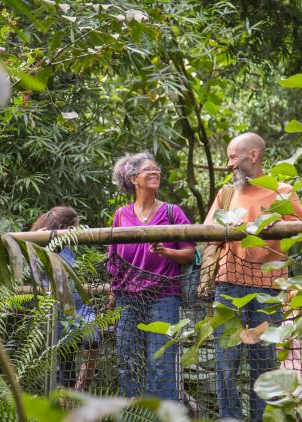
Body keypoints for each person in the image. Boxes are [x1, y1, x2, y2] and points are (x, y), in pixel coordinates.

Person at [203, 132, 302, 421]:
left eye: (233, 157)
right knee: (226, 364)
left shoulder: (282, 191)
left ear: (254, 155)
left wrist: (270, 225)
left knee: (263, 364)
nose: (229, 164)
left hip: (267, 291)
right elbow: (207, 234)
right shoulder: (226, 194)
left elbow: (301, 230)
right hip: (228, 287)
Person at [108, 151, 196, 400]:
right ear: (134, 179)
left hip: (164, 297)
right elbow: (114, 259)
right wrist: (113, 294)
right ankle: (134, 416)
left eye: (156, 168)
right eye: (148, 170)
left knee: (162, 364)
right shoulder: (120, 215)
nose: (155, 172)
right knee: (128, 363)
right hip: (127, 299)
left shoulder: (172, 212)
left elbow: (189, 253)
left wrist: (166, 251)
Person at [29, 207, 98, 402]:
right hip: (58, 310)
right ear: (67, 227)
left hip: (79, 305)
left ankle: (84, 382)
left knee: (93, 338)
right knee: (65, 369)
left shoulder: (67, 246)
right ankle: (66, 412)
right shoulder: (38, 242)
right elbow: (32, 270)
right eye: (74, 227)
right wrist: (36, 242)